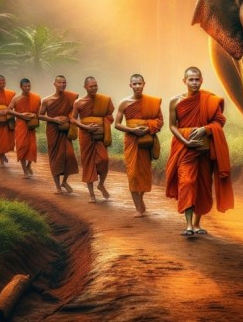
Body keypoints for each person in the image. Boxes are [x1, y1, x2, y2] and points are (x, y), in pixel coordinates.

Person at [165, 66, 233, 236]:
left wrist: (205, 129)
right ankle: (188, 225)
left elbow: (219, 121)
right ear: (184, 81)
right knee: (187, 183)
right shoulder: (175, 101)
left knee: (203, 186)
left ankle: (197, 224)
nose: (194, 83)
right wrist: (186, 141)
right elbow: (172, 126)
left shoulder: (209, 100)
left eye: (197, 79)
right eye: (191, 80)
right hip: (184, 149)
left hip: (204, 151)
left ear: (201, 80)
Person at [115, 73, 163, 217]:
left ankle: (140, 198)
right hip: (131, 140)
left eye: (139, 83)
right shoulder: (124, 103)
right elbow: (117, 124)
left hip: (146, 141)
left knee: (143, 174)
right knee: (133, 174)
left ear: (144, 84)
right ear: (130, 85)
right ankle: (137, 208)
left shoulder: (152, 102)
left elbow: (160, 121)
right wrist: (132, 130)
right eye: (134, 84)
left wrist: (147, 129)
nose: (137, 86)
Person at [70, 76, 114, 203]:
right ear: (85, 87)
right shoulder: (79, 102)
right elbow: (73, 119)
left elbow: (110, 116)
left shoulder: (104, 100)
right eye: (91, 86)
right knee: (88, 163)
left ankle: (101, 184)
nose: (94, 88)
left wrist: (102, 123)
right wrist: (86, 127)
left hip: (100, 136)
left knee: (104, 160)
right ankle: (91, 194)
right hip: (85, 135)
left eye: (95, 85)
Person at [39, 75, 79, 194]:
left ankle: (64, 181)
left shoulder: (71, 97)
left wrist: (69, 119)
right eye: (60, 83)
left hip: (65, 131)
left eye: (64, 82)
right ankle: (58, 187)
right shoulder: (47, 100)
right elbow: (40, 115)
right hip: (53, 130)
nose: (62, 85)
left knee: (69, 155)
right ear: (54, 84)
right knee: (55, 157)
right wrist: (54, 120)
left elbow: (74, 113)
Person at [7, 78, 41, 179]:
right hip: (21, 125)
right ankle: (25, 171)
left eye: (29, 86)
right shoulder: (16, 99)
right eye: (25, 86)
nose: (27, 88)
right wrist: (20, 115)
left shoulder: (36, 98)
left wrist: (34, 115)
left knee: (32, 147)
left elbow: (39, 113)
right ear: (21, 87)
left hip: (31, 125)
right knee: (21, 146)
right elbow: (9, 110)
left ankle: (29, 165)